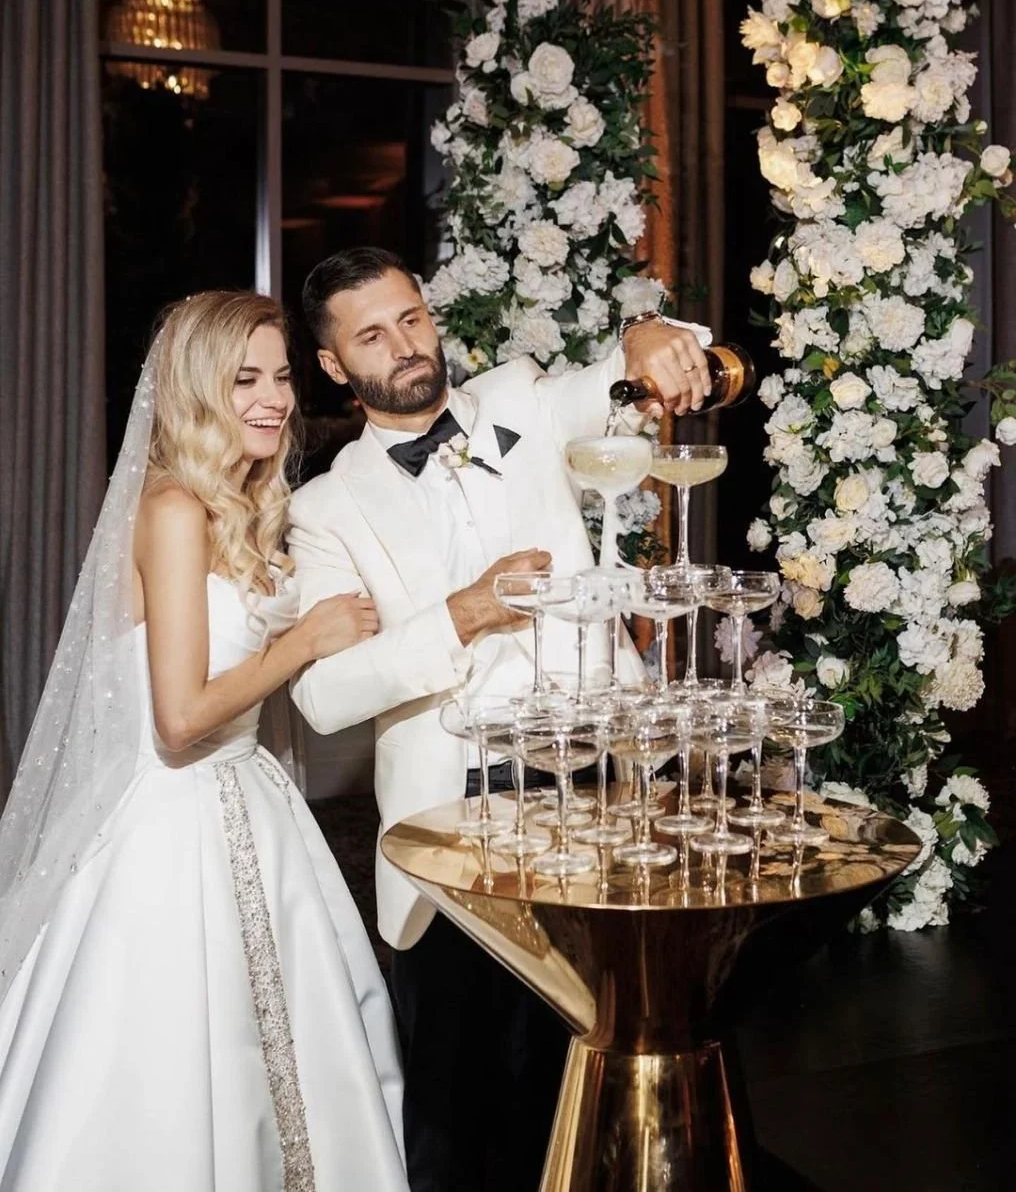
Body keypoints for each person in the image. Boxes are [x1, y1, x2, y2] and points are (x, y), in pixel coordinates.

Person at [288, 246, 713, 1192]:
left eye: (410, 317)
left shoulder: (520, 402)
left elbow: (614, 375)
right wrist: (462, 615)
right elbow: (322, 696)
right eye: (371, 334)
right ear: (331, 365)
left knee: (595, 1077)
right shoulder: (325, 511)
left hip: (599, 791)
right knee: (453, 1105)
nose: (403, 344)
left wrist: (646, 338)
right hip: (454, 824)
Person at [0, 291, 409, 1191]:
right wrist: (306, 639)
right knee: (178, 1062)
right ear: (193, 388)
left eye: (281, 377)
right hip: (171, 822)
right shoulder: (175, 508)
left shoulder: (247, 506)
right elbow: (180, 719)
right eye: (244, 379)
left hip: (250, 800)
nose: (273, 399)